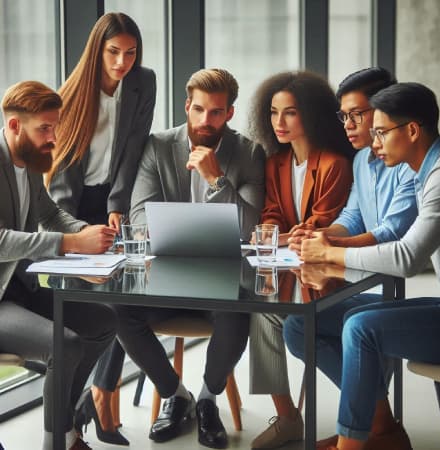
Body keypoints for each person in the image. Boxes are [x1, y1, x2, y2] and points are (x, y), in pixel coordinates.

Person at [285, 82, 440, 450]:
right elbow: (360, 221)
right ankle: (382, 430)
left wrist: (330, 254)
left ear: (411, 130)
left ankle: (351, 445)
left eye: (381, 132)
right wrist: (326, 240)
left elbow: (407, 256)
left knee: (361, 327)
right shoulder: (429, 170)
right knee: (301, 323)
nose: (374, 143)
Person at [115, 68, 265, 449]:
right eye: (198, 110)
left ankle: (206, 399)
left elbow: (248, 226)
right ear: (187, 106)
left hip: (223, 279)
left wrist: (217, 180)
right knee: (117, 307)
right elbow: (140, 216)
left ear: (229, 113)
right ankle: (173, 393)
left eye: (215, 112)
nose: (204, 120)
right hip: (166, 276)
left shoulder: (248, 153)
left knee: (239, 309)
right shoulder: (159, 146)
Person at [46, 12, 157, 446]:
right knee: (90, 305)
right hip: (72, 206)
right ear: (98, 50)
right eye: (113, 52)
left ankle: (95, 398)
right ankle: (84, 406)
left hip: (115, 198)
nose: (122, 62)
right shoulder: (70, 95)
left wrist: (119, 205)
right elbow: (60, 174)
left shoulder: (142, 83)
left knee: (121, 299)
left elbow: (133, 150)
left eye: (130, 53)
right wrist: (71, 230)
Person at [0, 80, 117, 450]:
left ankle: (65, 423)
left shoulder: (31, 161)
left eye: (55, 127)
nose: (53, 138)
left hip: (20, 287)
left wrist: (88, 235)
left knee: (103, 322)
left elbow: (49, 213)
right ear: (15, 126)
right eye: (45, 129)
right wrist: (69, 244)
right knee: (64, 345)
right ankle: (60, 442)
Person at [246, 70, 354, 449]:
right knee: (260, 309)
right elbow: (272, 213)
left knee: (289, 315)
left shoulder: (335, 163)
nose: (279, 122)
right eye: (274, 113)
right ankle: (287, 415)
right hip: (288, 265)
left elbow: (322, 224)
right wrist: (279, 232)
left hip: (327, 273)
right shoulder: (275, 163)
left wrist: (284, 235)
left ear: (309, 114)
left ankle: (364, 411)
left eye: (289, 113)